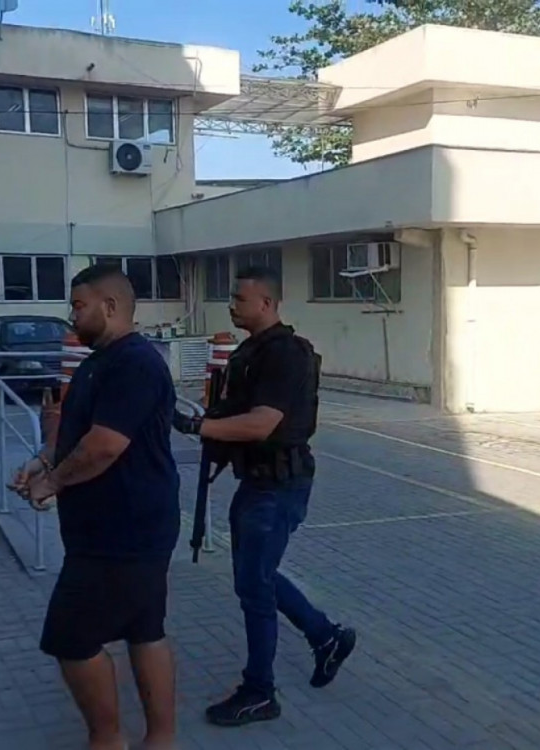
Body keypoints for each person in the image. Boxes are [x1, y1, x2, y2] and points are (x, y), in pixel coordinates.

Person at [172, 265, 357, 728]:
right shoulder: (251, 351)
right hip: (258, 484)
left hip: (277, 486)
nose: (231, 305)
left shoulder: (285, 354)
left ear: (268, 303)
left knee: (254, 586)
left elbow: (261, 424)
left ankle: (260, 692)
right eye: (232, 298)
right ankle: (326, 637)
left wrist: (198, 426)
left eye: (240, 298)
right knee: (256, 579)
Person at [13, 264, 180, 750]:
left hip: (123, 532)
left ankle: (108, 740)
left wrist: (51, 484)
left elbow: (105, 445)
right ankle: (161, 740)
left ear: (110, 307)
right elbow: (76, 434)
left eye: (79, 306)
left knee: (70, 638)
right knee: (145, 630)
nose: (72, 316)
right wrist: (42, 461)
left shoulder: (134, 364)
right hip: (120, 530)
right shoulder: (97, 362)